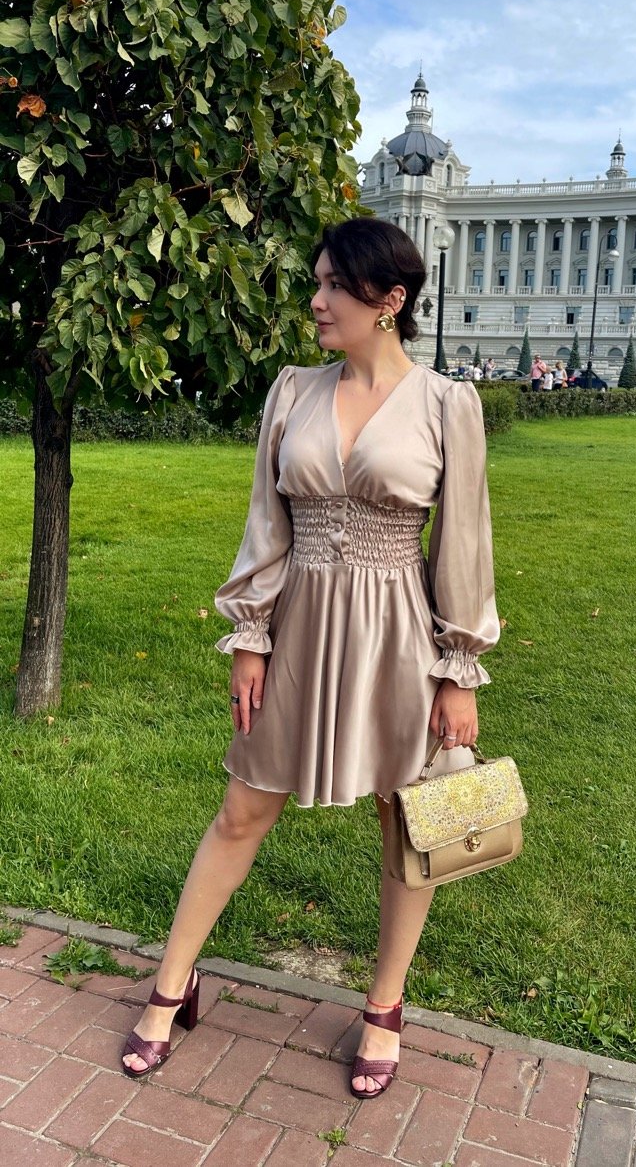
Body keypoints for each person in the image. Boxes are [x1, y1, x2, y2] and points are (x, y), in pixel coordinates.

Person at [121, 218, 500, 1100]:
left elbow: (464, 544)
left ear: (389, 300)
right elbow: (267, 522)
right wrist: (249, 639)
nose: (317, 301)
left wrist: (457, 670)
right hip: (296, 628)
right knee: (241, 809)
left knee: (407, 822)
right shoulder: (292, 390)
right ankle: (170, 987)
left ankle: (384, 1008)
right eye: (318, 281)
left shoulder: (447, 404)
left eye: (334, 285)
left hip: (399, 636)